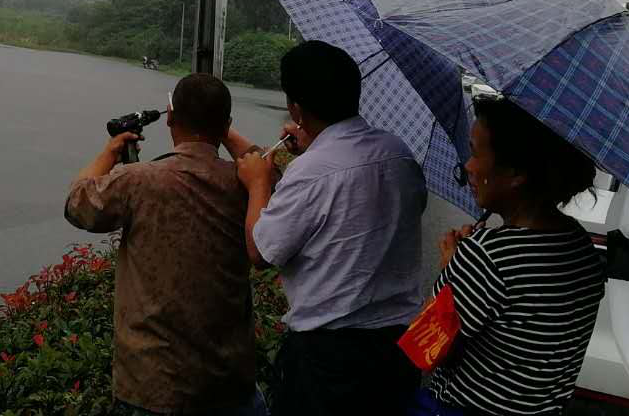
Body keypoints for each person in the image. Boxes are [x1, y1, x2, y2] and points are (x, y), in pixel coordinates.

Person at [228, 40, 427, 415]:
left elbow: (260, 251)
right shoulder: (399, 153)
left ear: (296, 108)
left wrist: (258, 184)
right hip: (397, 351)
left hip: (330, 361)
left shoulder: (310, 172)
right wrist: (313, 148)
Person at [64, 73, 265, 416]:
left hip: (153, 386)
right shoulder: (248, 183)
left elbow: (77, 204)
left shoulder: (139, 180)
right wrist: (220, 128)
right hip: (229, 383)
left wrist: (110, 152)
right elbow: (267, 168)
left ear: (170, 117)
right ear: (227, 124)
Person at [409, 96, 605, 416]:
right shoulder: (581, 247)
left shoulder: (485, 256)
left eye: (475, 153)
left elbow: (424, 350)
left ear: (516, 174)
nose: (468, 167)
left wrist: (450, 269)